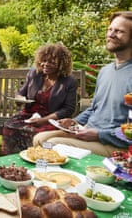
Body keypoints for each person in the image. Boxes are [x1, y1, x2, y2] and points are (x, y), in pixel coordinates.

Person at [34, 12, 132, 157]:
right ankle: (52, 178)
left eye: (119, 31)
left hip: (115, 145)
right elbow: (94, 108)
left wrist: (99, 134)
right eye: (110, 29)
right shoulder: (105, 71)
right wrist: (73, 121)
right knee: (39, 139)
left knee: (52, 145)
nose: (111, 34)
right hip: (87, 131)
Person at [1, 43, 77, 155]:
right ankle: (12, 158)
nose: (45, 64)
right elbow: (21, 93)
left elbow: (68, 109)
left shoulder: (69, 81)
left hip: (52, 119)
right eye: (44, 60)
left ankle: (39, 159)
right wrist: (19, 99)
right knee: (9, 126)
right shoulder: (34, 74)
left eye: (51, 62)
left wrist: (44, 120)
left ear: (61, 64)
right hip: (29, 115)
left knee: (39, 133)